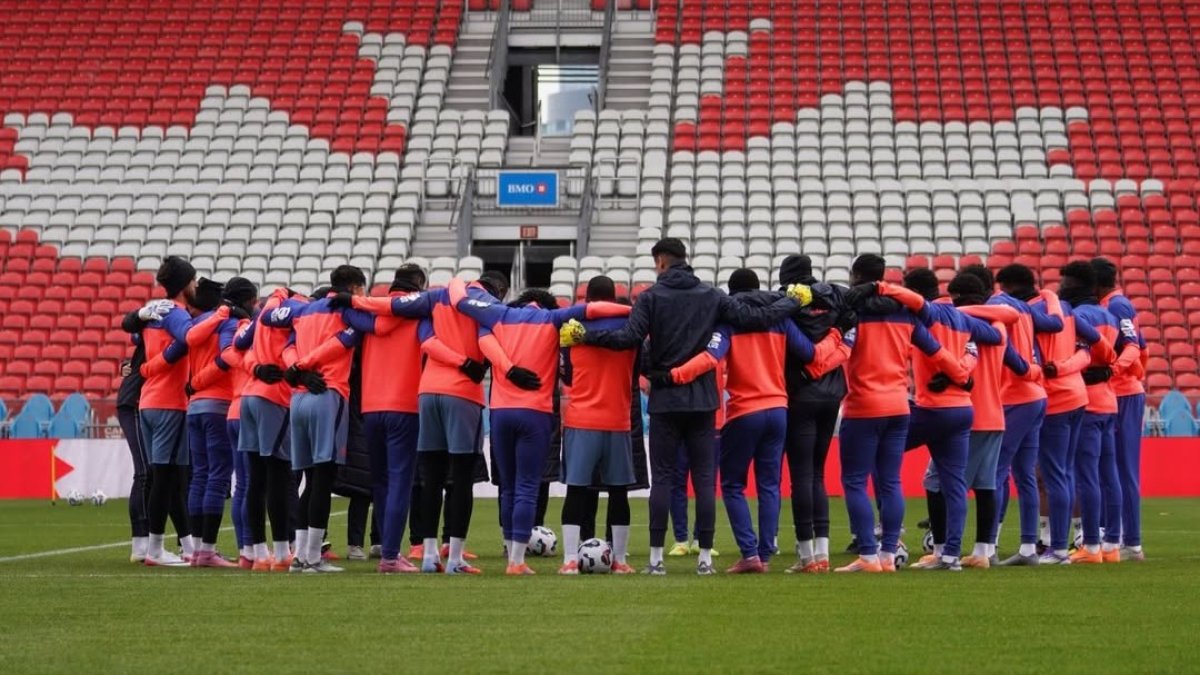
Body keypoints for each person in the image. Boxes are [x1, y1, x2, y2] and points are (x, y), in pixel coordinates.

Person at [562, 238, 811, 576]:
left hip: (666, 399)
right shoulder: (712, 295)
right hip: (703, 400)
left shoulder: (651, 297)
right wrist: (791, 302)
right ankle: (704, 559)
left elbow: (628, 339)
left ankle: (656, 560)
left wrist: (587, 337)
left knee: (664, 479)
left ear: (661, 262)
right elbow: (755, 317)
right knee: (705, 481)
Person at [666, 269, 851, 573]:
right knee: (769, 485)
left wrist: (675, 375)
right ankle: (765, 553)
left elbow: (710, 359)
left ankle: (749, 553)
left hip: (744, 411)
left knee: (732, 484)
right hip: (779, 409)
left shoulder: (730, 322)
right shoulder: (781, 320)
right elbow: (811, 354)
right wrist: (837, 334)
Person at [448, 279, 631, 575]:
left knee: (508, 487)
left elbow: (459, 300)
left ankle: (511, 551)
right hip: (535, 413)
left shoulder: (499, 315)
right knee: (526, 486)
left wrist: (459, 281)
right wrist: (634, 312)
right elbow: (594, 309)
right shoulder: (551, 318)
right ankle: (517, 561)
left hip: (500, 412)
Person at [342, 271, 507, 574]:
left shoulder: (407, 308)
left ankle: (422, 553)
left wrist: (350, 302)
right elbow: (477, 342)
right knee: (455, 479)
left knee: (416, 480)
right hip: (432, 399)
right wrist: (492, 367)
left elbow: (400, 328)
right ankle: (445, 558)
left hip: (395, 400)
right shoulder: (472, 307)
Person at [836, 255, 972, 573]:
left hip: (862, 405)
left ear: (856, 276)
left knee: (855, 482)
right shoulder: (905, 314)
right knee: (891, 481)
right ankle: (887, 554)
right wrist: (962, 376)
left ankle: (868, 555)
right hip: (899, 405)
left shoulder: (851, 313)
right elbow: (936, 351)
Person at [876, 270, 1004, 571]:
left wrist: (880, 288)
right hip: (962, 411)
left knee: (879, 452)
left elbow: (911, 300)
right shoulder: (964, 319)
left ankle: (891, 540)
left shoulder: (929, 313)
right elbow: (995, 336)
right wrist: (960, 371)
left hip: (931, 410)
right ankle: (950, 556)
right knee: (954, 484)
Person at [272, 265, 386, 573]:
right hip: (328, 393)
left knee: (309, 479)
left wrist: (298, 370)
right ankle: (311, 557)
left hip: (298, 397)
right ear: (356, 288)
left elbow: (287, 346)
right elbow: (353, 336)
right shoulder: (347, 311)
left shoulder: (305, 311)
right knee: (323, 479)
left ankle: (300, 556)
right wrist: (306, 367)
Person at [944, 270, 1036, 569]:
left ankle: (948, 550)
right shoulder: (998, 323)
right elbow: (1016, 356)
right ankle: (983, 551)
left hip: (969, 413)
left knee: (947, 483)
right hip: (996, 413)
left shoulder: (958, 326)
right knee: (986, 485)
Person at [558, 276, 640, 575]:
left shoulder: (572, 328)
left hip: (581, 418)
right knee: (619, 492)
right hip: (617, 419)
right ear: (614, 298)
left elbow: (566, 375)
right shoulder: (631, 327)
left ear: (587, 299)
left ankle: (570, 559)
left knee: (576, 490)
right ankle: (620, 560)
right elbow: (637, 371)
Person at [1030, 275, 1113, 564]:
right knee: (1068, 473)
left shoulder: (1030, 313)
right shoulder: (1067, 311)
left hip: (1054, 401)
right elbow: (1094, 348)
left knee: (1051, 475)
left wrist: (1054, 370)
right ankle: (1088, 541)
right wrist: (1106, 365)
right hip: (1079, 398)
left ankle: (1057, 547)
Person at [776, 255, 850, 574]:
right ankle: (823, 552)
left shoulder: (786, 302)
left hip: (800, 393)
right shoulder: (834, 299)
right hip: (832, 394)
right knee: (818, 474)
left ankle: (806, 555)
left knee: (801, 476)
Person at [1056, 261, 1135, 564]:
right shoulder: (1109, 315)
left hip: (1086, 402)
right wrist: (1112, 368)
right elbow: (1130, 348)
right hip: (1108, 400)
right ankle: (1112, 544)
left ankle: (1090, 545)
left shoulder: (1077, 316)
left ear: (1076, 284)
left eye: (1065, 282)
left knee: (1086, 476)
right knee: (1109, 475)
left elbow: (1083, 354)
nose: (1061, 287)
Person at [360, 264, 433, 574]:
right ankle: (390, 555)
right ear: (419, 286)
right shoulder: (419, 316)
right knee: (401, 482)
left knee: (380, 483)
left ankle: (387, 549)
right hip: (404, 405)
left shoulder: (369, 317)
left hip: (370, 406)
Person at [989, 264, 1060, 566]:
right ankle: (1029, 548)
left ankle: (987, 546)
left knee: (995, 471)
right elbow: (1054, 324)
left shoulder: (995, 305)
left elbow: (1001, 345)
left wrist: (1022, 369)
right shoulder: (1026, 309)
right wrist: (1050, 296)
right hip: (1036, 395)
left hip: (1015, 395)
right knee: (1025, 474)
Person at [236, 287, 306, 572]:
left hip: (250, 395)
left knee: (256, 479)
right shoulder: (297, 312)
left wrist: (256, 368)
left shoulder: (264, 313)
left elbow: (242, 345)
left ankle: (257, 553)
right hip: (275, 397)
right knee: (279, 475)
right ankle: (280, 552)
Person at [138, 256, 197, 567]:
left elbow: (134, 335)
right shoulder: (176, 313)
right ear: (185, 284)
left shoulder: (153, 311)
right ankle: (155, 549)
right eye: (193, 281)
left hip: (149, 401)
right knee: (164, 478)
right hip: (168, 402)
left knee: (170, 478)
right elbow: (189, 338)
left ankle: (188, 546)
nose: (196, 285)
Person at [179, 278, 240, 568]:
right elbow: (225, 360)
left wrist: (195, 384)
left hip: (194, 407)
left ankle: (196, 549)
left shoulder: (193, 325)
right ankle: (208, 550)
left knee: (200, 475)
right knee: (218, 475)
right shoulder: (225, 323)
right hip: (218, 404)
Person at [1093, 257, 1148, 561]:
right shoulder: (1113, 305)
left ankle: (1132, 542)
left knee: (1123, 468)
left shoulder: (1117, 306)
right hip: (1120, 392)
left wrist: (1118, 373)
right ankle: (1112, 536)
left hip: (1123, 395)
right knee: (1109, 468)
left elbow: (1133, 346)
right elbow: (1143, 348)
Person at [117, 298, 178, 563]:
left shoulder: (162, 330)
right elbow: (129, 324)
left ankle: (151, 542)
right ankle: (140, 543)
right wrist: (142, 313)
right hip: (135, 401)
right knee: (145, 472)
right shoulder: (157, 327)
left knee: (155, 474)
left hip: (146, 401)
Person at [206, 278, 259, 567]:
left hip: (235, 409)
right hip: (248, 409)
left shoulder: (231, 327)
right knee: (251, 485)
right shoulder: (241, 328)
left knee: (243, 485)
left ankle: (246, 549)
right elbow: (229, 354)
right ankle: (251, 547)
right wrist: (256, 366)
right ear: (248, 301)